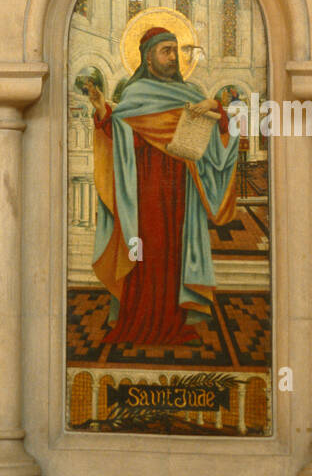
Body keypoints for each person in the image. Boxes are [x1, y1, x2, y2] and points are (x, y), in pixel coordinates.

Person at [82, 27, 238, 346]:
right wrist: (102, 110)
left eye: (174, 51)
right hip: (143, 192)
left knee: (174, 255)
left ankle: (174, 320)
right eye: (165, 51)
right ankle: (138, 319)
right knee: (145, 253)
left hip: (182, 191)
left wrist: (216, 110)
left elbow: (217, 142)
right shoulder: (136, 95)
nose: (172, 57)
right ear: (148, 59)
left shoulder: (193, 94)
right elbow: (119, 131)